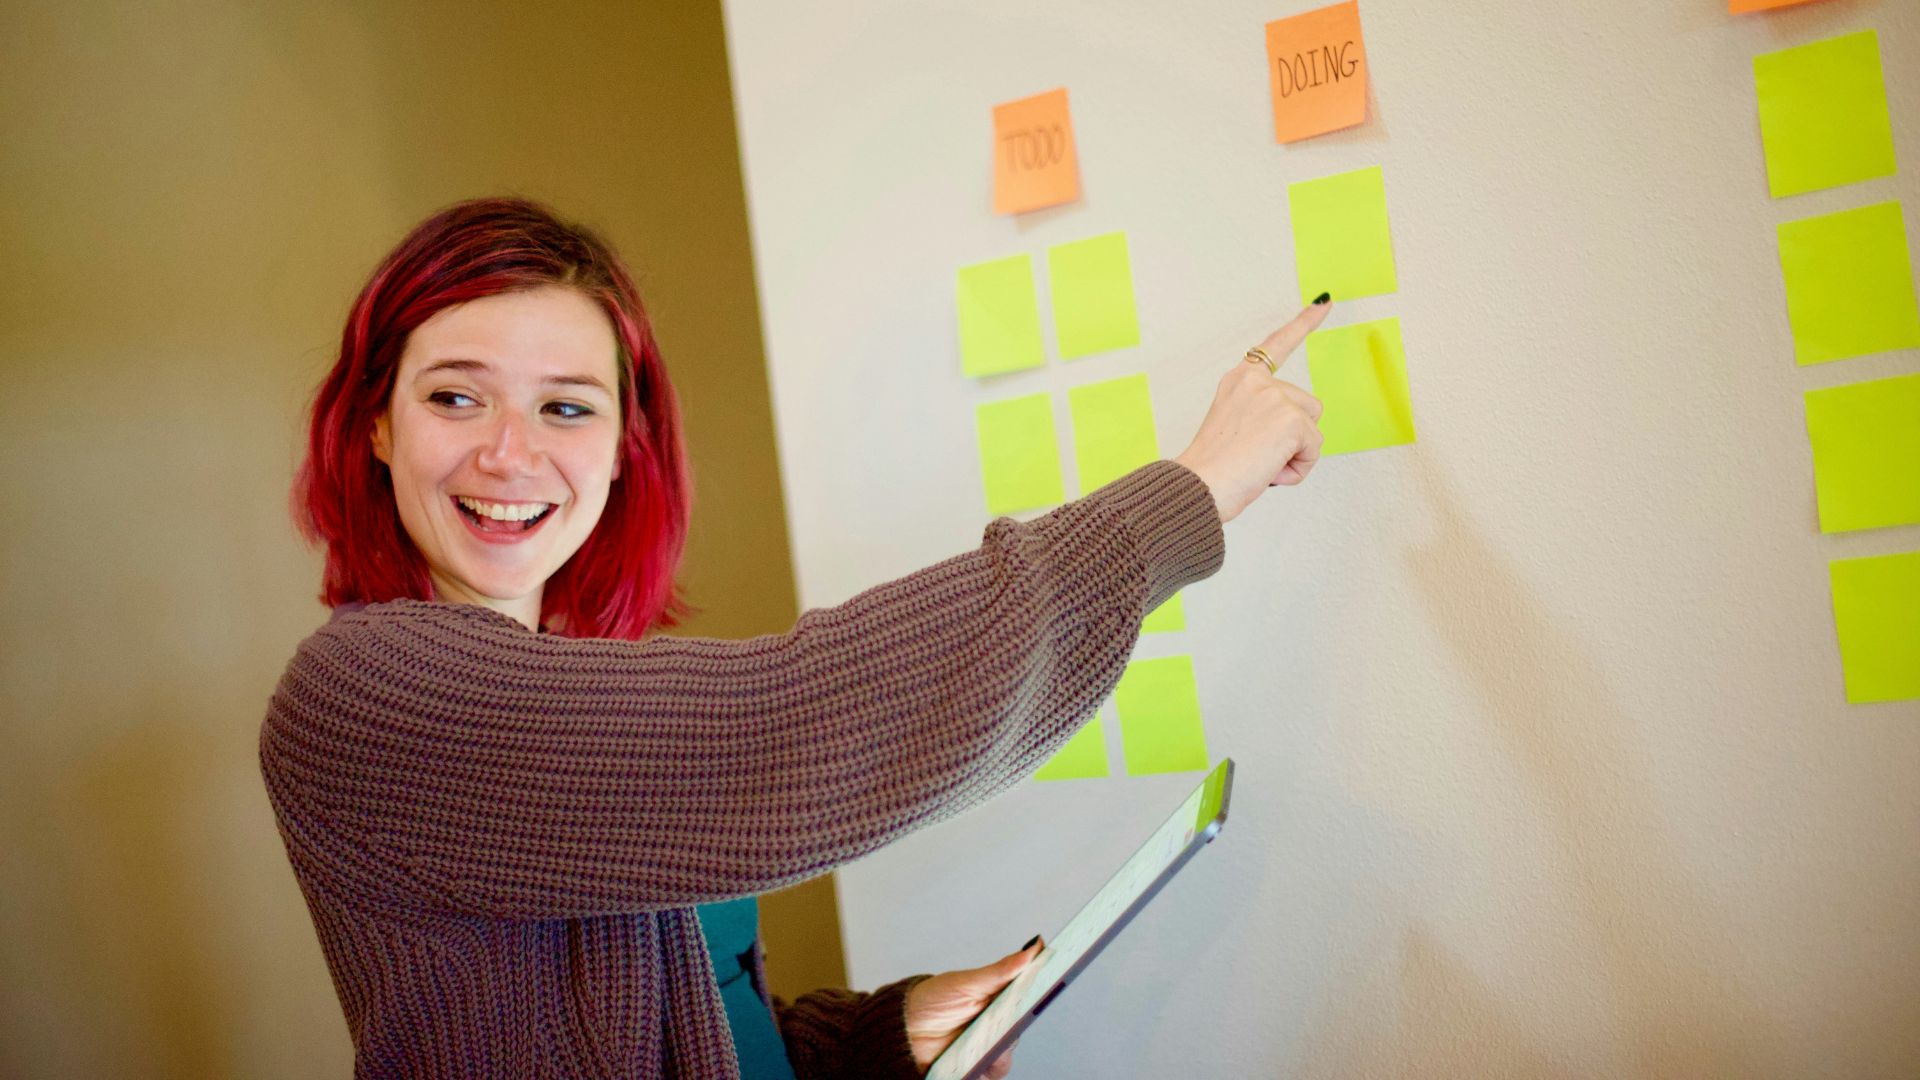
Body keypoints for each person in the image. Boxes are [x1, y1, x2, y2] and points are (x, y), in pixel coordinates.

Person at [260, 196, 1328, 1080]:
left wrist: (870, 1041)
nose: (509, 453)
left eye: (567, 408)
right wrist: (1191, 492)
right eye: (457, 396)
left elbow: (694, 1022)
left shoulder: (585, 680)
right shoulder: (365, 693)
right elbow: (789, 727)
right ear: (378, 426)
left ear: (626, 448)